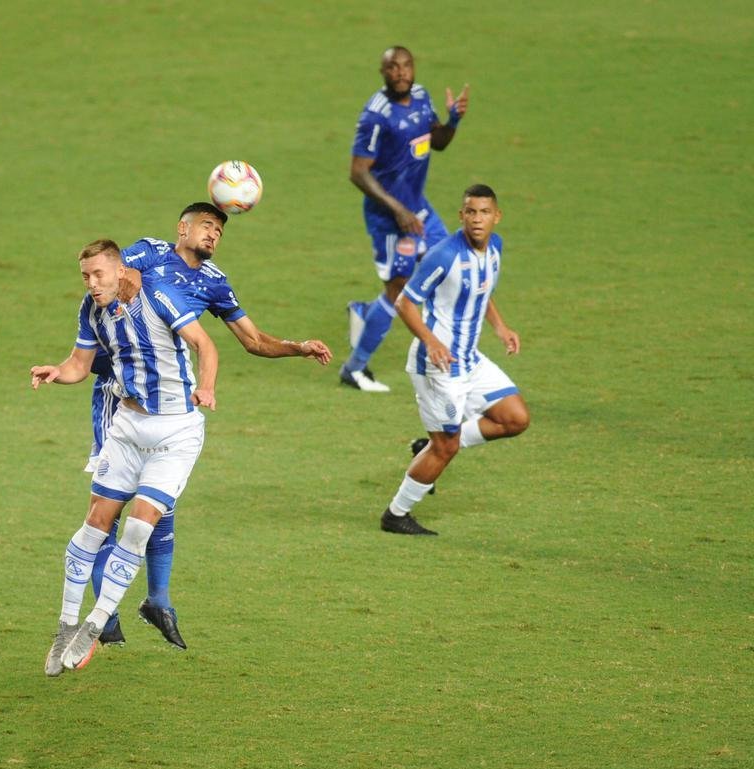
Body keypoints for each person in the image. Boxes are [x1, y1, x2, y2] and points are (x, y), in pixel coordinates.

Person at [86, 202, 332, 650]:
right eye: (206, 225)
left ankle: (157, 600)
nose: (214, 233)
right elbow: (103, 278)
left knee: (159, 502)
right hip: (120, 395)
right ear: (183, 228)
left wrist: (299, 347)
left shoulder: (214, 283)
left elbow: (253, 341)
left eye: (219, 229)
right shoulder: (151, 252)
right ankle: (105, 614)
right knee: (113, 506)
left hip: (172, 406)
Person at [31, 239, 219, 675]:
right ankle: (65, 627)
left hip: (176, 431)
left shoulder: (158, 295)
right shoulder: (91, 309)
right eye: (85, 276)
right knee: (94, 525)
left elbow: (205, 345)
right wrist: (59, 372)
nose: (92, 284)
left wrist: (206, 386)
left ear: (119, 270)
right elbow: (81, 364)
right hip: (127, 427)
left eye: (98, 274)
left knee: (137, 527)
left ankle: (96, 624)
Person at [380, 185, 530, 536]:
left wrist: (501, 327)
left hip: (469, 360)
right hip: (438, 365)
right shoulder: (444, 255)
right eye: (471, 212)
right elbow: (405, 302)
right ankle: (395, 514)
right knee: (445, 448)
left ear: (497, 216)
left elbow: (483, 291)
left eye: (484, 212)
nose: (478, 219)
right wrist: (430, 341)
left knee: (515, 418)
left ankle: (429, 447)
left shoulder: (495, 248)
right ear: (461, 216)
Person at [340, 45, 470, 393]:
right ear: (382, 73)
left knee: (449, 267)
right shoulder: (375, 116)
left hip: (418, 209)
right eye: (392, 67)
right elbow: (357, 172)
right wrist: (397, 210)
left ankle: (364, 314)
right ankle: (354, 369)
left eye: (406, 66)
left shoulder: (422, 97)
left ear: (414, 68)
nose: (400, 72)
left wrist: (453, 119)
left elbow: (437, 141)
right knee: (399, 295)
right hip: (390, 219)